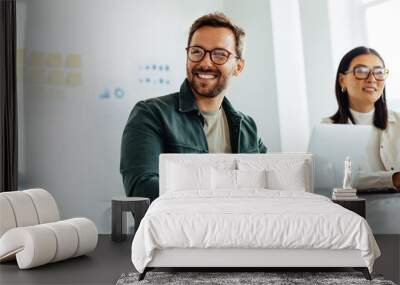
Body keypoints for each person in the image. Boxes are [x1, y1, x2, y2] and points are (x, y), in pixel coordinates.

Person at [120, 12, 267, 201]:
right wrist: (226, 196)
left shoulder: (248, 128)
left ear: (238, 66)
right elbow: (142, 189)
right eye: (197, 51)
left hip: (240, 229)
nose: (205, 62)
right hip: (176, 230)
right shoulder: (150, 114)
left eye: (219, 55)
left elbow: (266, 186)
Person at [322, 46, 400, 191]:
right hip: (352, 210)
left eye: (379, 72)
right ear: (342, 80)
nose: (372, 79)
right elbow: (336, 180)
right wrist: (392, 179)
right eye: (361, 71)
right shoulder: (328, 129)